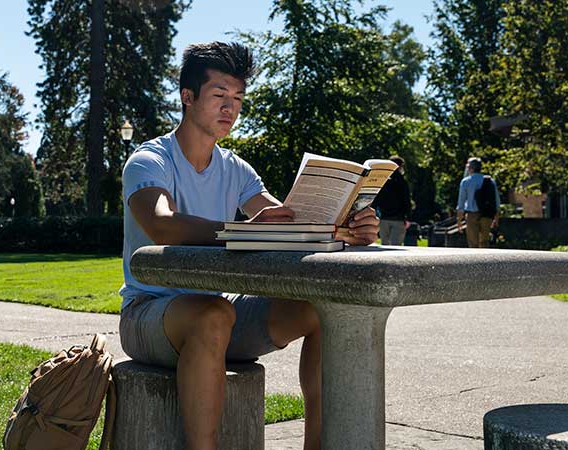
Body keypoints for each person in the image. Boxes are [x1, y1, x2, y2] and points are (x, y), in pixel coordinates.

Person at [119, 42, 379, 450]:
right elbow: (161, 224)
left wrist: (347, 228)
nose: (231, 108)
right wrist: (238, 230)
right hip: (149, 314)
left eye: (237, 98)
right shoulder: (150, 159)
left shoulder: (235, 168)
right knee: (213, 314)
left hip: (220, 312)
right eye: (219, 95)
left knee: (324, 310)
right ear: (188, 97)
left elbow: (286, 221)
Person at [456, 157, 500, 248]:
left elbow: (461, 202)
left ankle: (474, 261)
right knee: (485, 242)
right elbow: (496, 200)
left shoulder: (466, 181)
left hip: (472, 215)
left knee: (473, 243)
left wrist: (459, 219)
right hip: (487, 214)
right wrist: (496, 216)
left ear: (471, 168)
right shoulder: (490, 181)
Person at [372, 155, 411, 245]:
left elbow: (377, 199)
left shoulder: (384, 181)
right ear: (400, 166)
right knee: (396, 246)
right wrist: (408, 217)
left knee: (384, 244)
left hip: (384, 218)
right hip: (398, 219)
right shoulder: (402, 182)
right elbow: (406, 200)